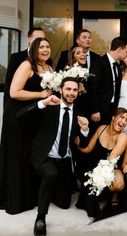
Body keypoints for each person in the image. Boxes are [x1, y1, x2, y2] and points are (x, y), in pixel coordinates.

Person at [16, 77, 88, 236]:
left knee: (64, 204)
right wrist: (43, 102)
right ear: (61, 90)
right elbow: (20, 116)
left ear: (78, 92)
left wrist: (84, 130)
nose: (71, 93)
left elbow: (78, 140)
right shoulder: (50, 106)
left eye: (75, 90)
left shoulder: (78, 112)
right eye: (68, 89)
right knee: (50, 174)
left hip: (64, 160)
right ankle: (40, 218)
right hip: (44, 155)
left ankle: (49, 191)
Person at [0, 37, 53, 214]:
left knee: (28, 156)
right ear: (33, 50)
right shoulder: (26, 65)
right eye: (41, 47)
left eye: (47, 46)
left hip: (33, 117)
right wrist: (40, 94)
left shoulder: (49, 68)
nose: (45, 50)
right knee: (16, 155)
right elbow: (14, 92)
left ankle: (29, 197)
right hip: (17, 116)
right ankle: (14, 200)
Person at [75, 107, 127, 219]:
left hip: (111, 168)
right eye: (122, 117)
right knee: (87, 178)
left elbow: (111, 159)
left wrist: (96, 177)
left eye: (126, 120)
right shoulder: (101, 128)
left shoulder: (123, 136)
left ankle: (113, 194)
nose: (124, 122)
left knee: (118, 183)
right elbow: (89, 148)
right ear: (113, 117)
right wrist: (78, 147)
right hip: (95, 165)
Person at [89, 37, 127, 129]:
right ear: (119, 50)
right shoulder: (99, 62)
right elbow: (93, 87)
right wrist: (95, 110)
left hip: (112, 108)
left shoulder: (118, 66)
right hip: (100, 109)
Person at [3, 27, 49, 107]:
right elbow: (8, 85)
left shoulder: (47, 61)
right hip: (18, 106)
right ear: (29, 40)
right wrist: (6, 107)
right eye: (38, 38)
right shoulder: (16, 57)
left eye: (43, 38)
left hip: (38, 107)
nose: (41, 41)